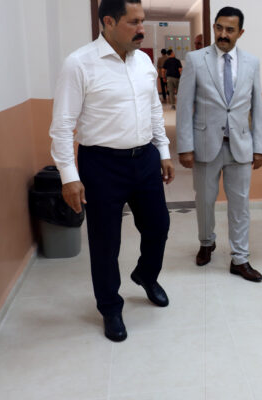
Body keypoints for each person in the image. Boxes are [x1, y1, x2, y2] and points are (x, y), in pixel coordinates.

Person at [48, 0, 174, 342]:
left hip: (144, 159)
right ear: (108, 21)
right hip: (102, 164)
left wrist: (163, 151)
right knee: (105, 242)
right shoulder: (79, 64)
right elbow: (62, 127)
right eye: (134, 22)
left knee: (159, 226)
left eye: (142, 21)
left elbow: (154, 109)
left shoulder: (143, 62)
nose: (142, 29)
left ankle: (146, 275)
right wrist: (69, 177)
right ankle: (110, 306)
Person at [176, 6, 262, 282]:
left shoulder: (251, 63)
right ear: (214, 27)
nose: (223, 34)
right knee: (204, 201)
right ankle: (206, 242)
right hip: (205, 144)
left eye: (229, 30)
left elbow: (257, 107)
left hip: (240, 144)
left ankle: (240, 258)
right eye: (219, 28)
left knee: (240, 205)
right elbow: (184, 106)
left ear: (240, 32)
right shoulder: (195, 60)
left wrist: (259, 147)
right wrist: (185, 146)